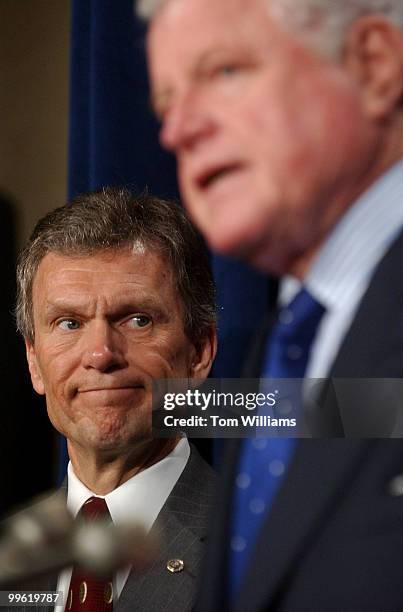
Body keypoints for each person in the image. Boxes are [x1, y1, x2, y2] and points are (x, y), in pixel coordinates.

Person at [137, 0, 403, 610]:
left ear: (373, 63)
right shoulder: (282, 347)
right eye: (166, 104)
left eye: (223, 72)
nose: (177, 131)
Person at [14, 187, 217, 611]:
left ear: (198, 353)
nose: (101, 354)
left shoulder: (255, 545)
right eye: (69, 323)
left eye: (138, 319)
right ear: (34, 361)